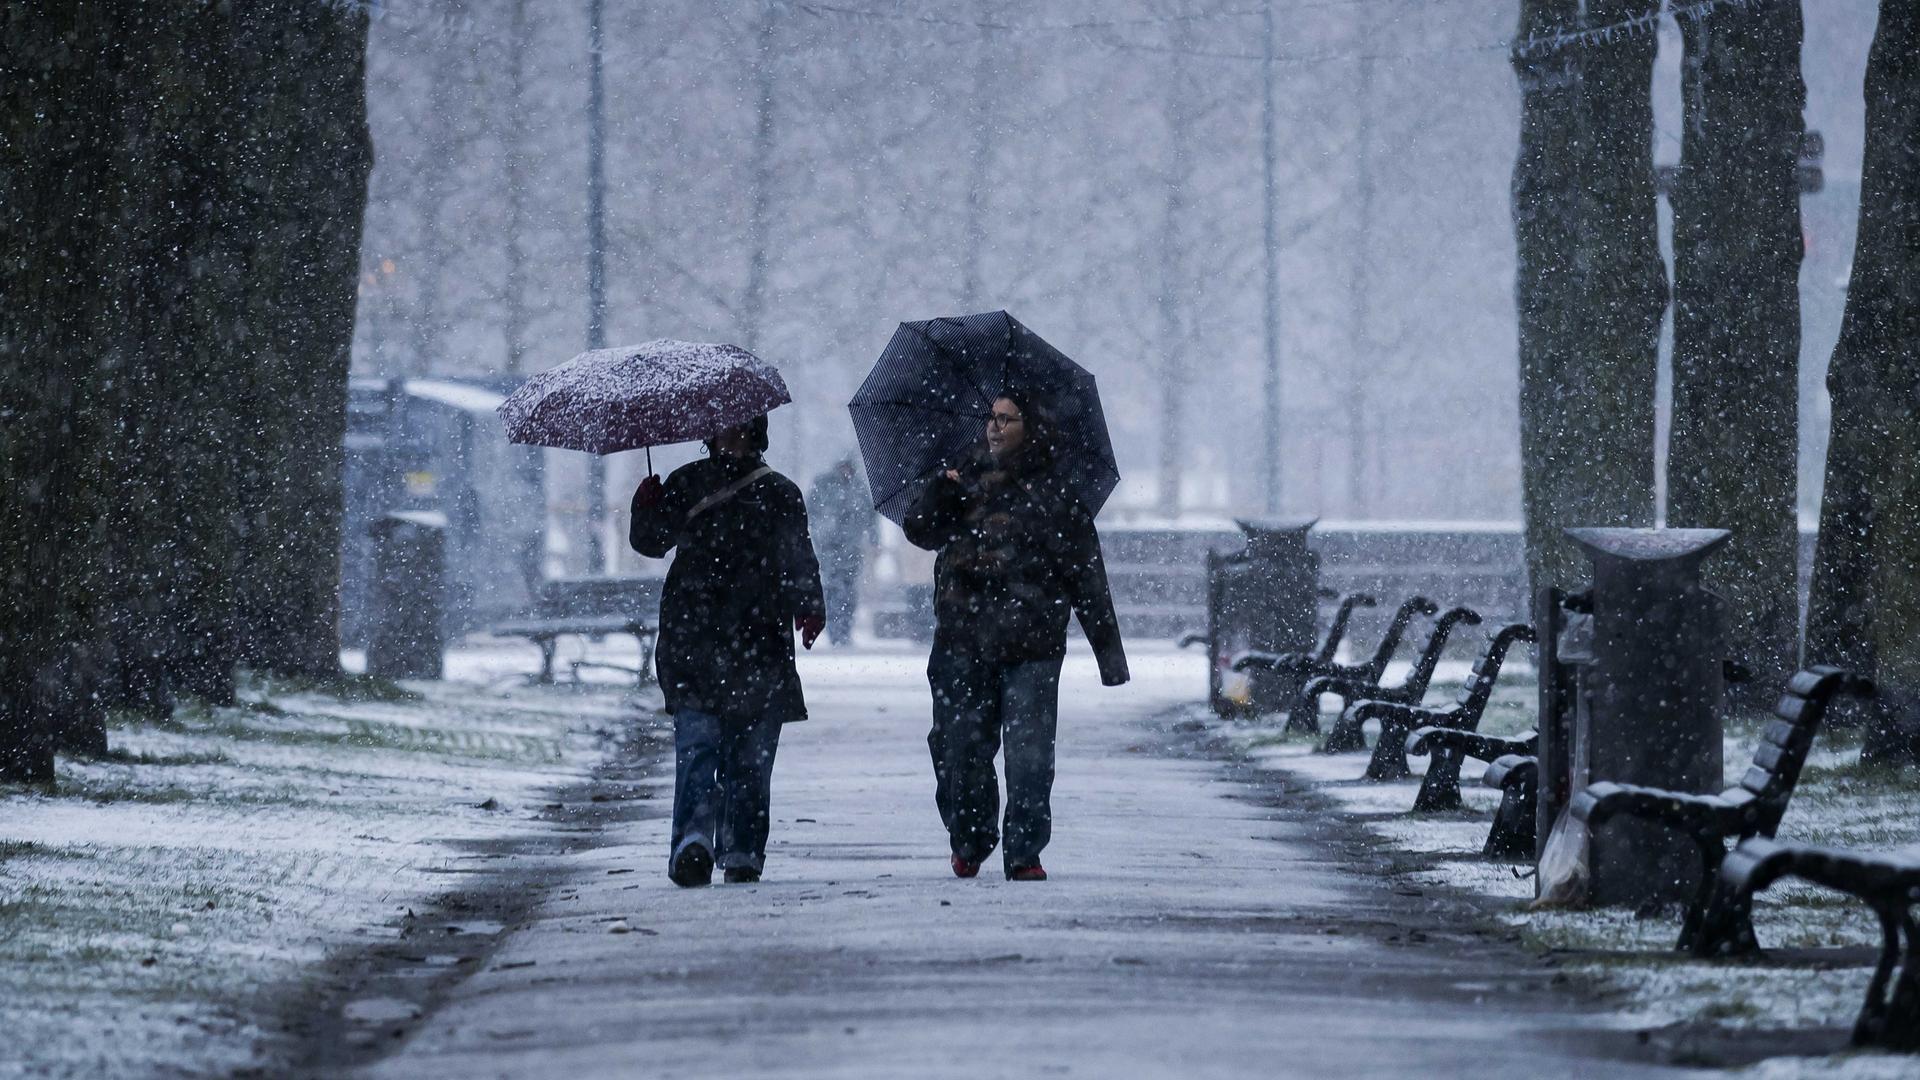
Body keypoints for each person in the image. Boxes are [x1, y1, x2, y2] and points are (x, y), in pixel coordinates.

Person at [902, 390, 1129, 882]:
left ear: (1032, 427)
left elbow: (1087, 576)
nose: (994, 427)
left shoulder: (1056, 494)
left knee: (1029, 757)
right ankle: (970, 836)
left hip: (1033, 645)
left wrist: (1109, 657)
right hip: (961, 642)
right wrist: (942, 490)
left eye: (1007, 419)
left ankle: (1024, 851)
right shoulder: (961, 477)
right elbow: (919, 531)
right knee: (957, 749)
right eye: (991, 417)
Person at [629, 413, 826, 887]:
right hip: (698, 639)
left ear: (756, 430)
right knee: (698, 745)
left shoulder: (780, 492)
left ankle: (742, 850)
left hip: (755, 639)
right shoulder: (687, 482)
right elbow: (652, 543)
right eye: (722, 424)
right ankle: (693, 843)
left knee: (751, 756)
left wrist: (809, 605)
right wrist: (647, 507)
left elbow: (799, 553)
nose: (731, 432)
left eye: (740, 424)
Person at [806, 457, 878, 647]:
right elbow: (811, 510)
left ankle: (844, 629)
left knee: (848, 592)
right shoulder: (825, 485)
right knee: (832, 592)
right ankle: (835, 630)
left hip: (851, 551)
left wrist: (873, 539)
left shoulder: (858, 489)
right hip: (829, 550)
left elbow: (870, 516)